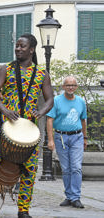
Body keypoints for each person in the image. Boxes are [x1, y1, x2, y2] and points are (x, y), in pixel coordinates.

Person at [0, 34, 54, 218]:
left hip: (28, 130)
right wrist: (5, 110)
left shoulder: (42, 74)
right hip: (2, 126)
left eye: (22, 46)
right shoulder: (6, 69)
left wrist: (41, 112)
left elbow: (50, 100)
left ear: (31, 50)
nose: (17, 49)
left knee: (30, 169)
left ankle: (23, 210)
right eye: (16, 46)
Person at [46, 76, 87, 209]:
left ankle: (75, 197)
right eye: (68, 85)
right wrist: (51, 140)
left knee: (76, 167)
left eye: (73, 85)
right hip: (61, 138)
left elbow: (83, 121)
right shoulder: (56, 101)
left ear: (76, 87)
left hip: (77, 137)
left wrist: (85, 138)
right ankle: (69, 196)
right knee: (66, 169)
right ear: (63, 87)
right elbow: (49, 120)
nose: (70, 87)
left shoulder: (80, 101)